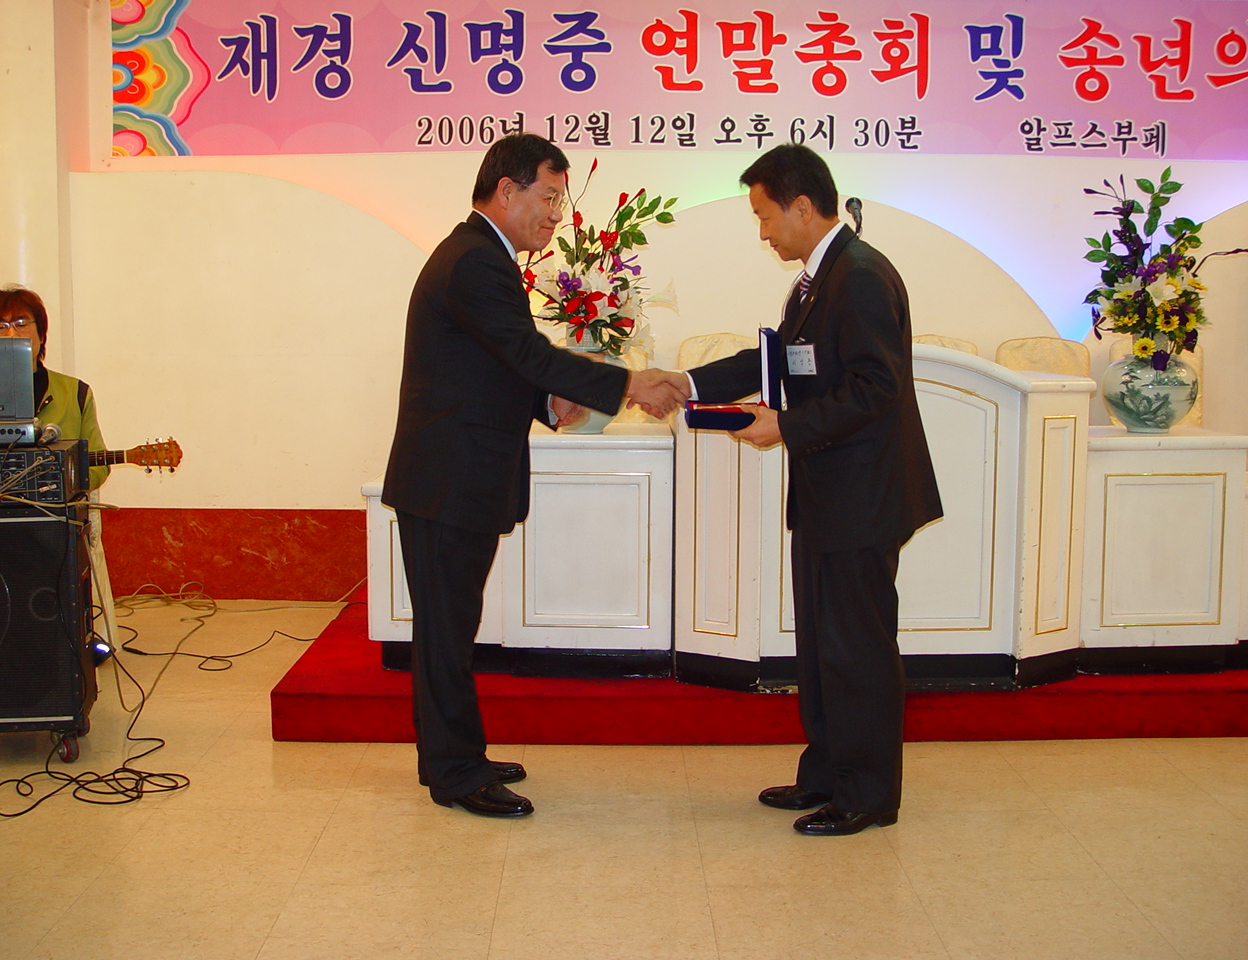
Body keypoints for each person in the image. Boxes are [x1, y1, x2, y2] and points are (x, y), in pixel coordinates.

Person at [380, 133, 685, 818]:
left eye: (559, 201)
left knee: (450, 627)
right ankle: (456, 773)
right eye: (547, 197)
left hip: (454, 477)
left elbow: (495, 365)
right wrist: (629, 382)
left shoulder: (480, 256)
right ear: (505, 190)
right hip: (447, 480)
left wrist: (549, 402)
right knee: (446, 631)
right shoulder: (474, 261)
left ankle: (452, 755)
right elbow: (523, 351)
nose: (555, 215)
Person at [677, 145, 942, 836]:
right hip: (829, 494)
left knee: (857, 650)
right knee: (824, 651)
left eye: (765, 216)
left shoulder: (860, 277)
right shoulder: (815, 281)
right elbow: (778, 362)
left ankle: (868, 795)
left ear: (802, 206)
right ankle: (826, 774)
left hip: (862, 497)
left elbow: (876, 387)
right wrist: (688, 384)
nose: (763, 231)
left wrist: (786, 426)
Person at [0, 285, 118, 658]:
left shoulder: (75, 393)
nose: (11, 332)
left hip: (53, 517)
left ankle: (67, 643)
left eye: (21, 322)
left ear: (41, 333)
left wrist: (60, 481)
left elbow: (98, 466)